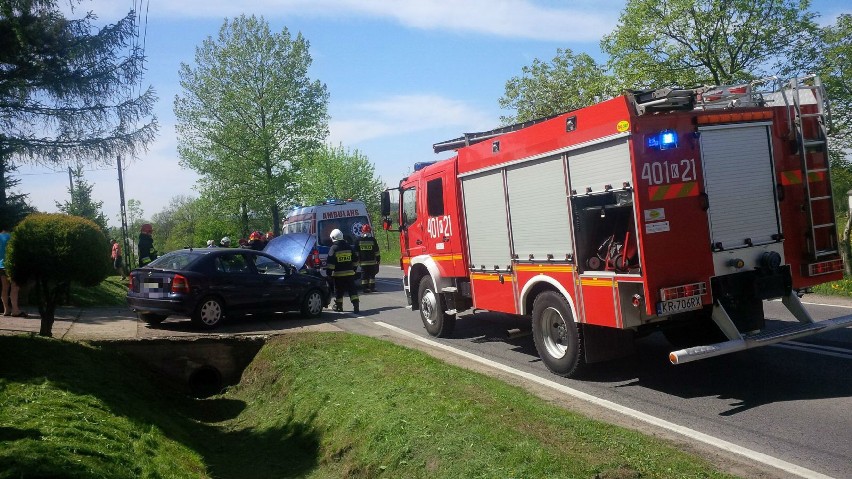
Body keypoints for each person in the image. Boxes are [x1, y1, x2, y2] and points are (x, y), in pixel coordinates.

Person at [325, 228, 359, 313]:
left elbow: (330, 263)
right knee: (352, 290)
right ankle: (356, 306)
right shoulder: (349, 247)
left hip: (338, 275)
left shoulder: (333, 248)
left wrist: (329, 274)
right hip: (350, 274)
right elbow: (355, 259)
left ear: (333, 237)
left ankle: (339, 306)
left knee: (339, 291)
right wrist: (354, 269)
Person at [0, 226, 27, 317]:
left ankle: (6, 310)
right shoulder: (13, 236)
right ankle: (15, 310)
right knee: (14, 287)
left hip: (1, 265)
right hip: (12, 264)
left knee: (4, 288)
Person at [355, 224, 380, 292]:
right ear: (369, 231)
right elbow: (377, 251)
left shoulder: (358, 240)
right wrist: (378, 259)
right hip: (372, 262)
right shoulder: (372, 239)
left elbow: (356, 252)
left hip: (363, 263)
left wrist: (357, 260)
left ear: (362, 231)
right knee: (372, 276)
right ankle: (372, 288)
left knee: (364, 276)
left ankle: (365, 288)